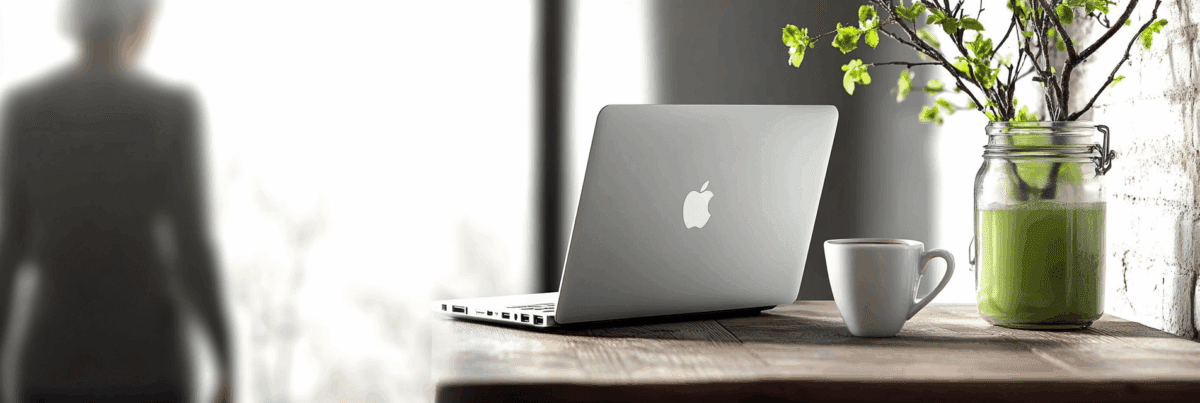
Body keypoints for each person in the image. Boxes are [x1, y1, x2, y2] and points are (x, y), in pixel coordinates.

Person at [0, 1, 232, 401]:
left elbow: (10, 252)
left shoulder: (25, 109)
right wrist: (225, 359)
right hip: (149, 361)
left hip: (54, 361)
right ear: (136, 20)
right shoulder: (172, 110)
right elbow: (192, 247)